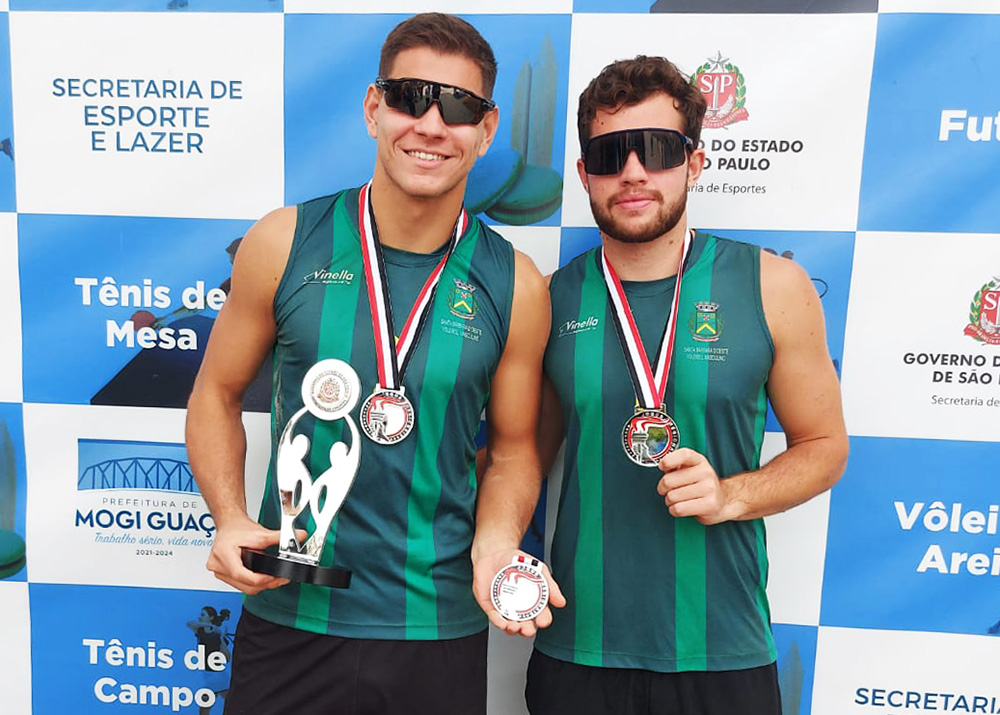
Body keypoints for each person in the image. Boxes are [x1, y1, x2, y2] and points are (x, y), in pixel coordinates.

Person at [185, 13, 560, 715]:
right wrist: (230, 515)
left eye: (458, 107)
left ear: (486, 129)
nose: (430, 123)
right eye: (409, 97)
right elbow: (216, 393)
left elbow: (512, 448)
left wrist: (498, 540)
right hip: (293, 611)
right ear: (372, 108)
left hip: (435, 627)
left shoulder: (517, 282)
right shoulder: (285, 240)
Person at [527, 56, 849, 715]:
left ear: (694, 164)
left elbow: (824, 447)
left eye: (658, 150)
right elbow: (516, 455)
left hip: (721, 654)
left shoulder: (771, 285)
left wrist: (732, 494)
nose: (635, 172)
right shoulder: (550, 299)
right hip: (578, 651)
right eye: (611, 154)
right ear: (586, 175)